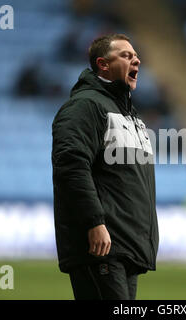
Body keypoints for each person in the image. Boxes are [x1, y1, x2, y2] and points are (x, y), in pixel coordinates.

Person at [51, 34, 159, 300]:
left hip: (126, 246)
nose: (136, 60)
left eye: (136, 56)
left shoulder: (131, 117)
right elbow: (71, 165)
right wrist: (94, 222)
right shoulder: (85, 106)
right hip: (101, 246)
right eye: (126, 55)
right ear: (103, 64)